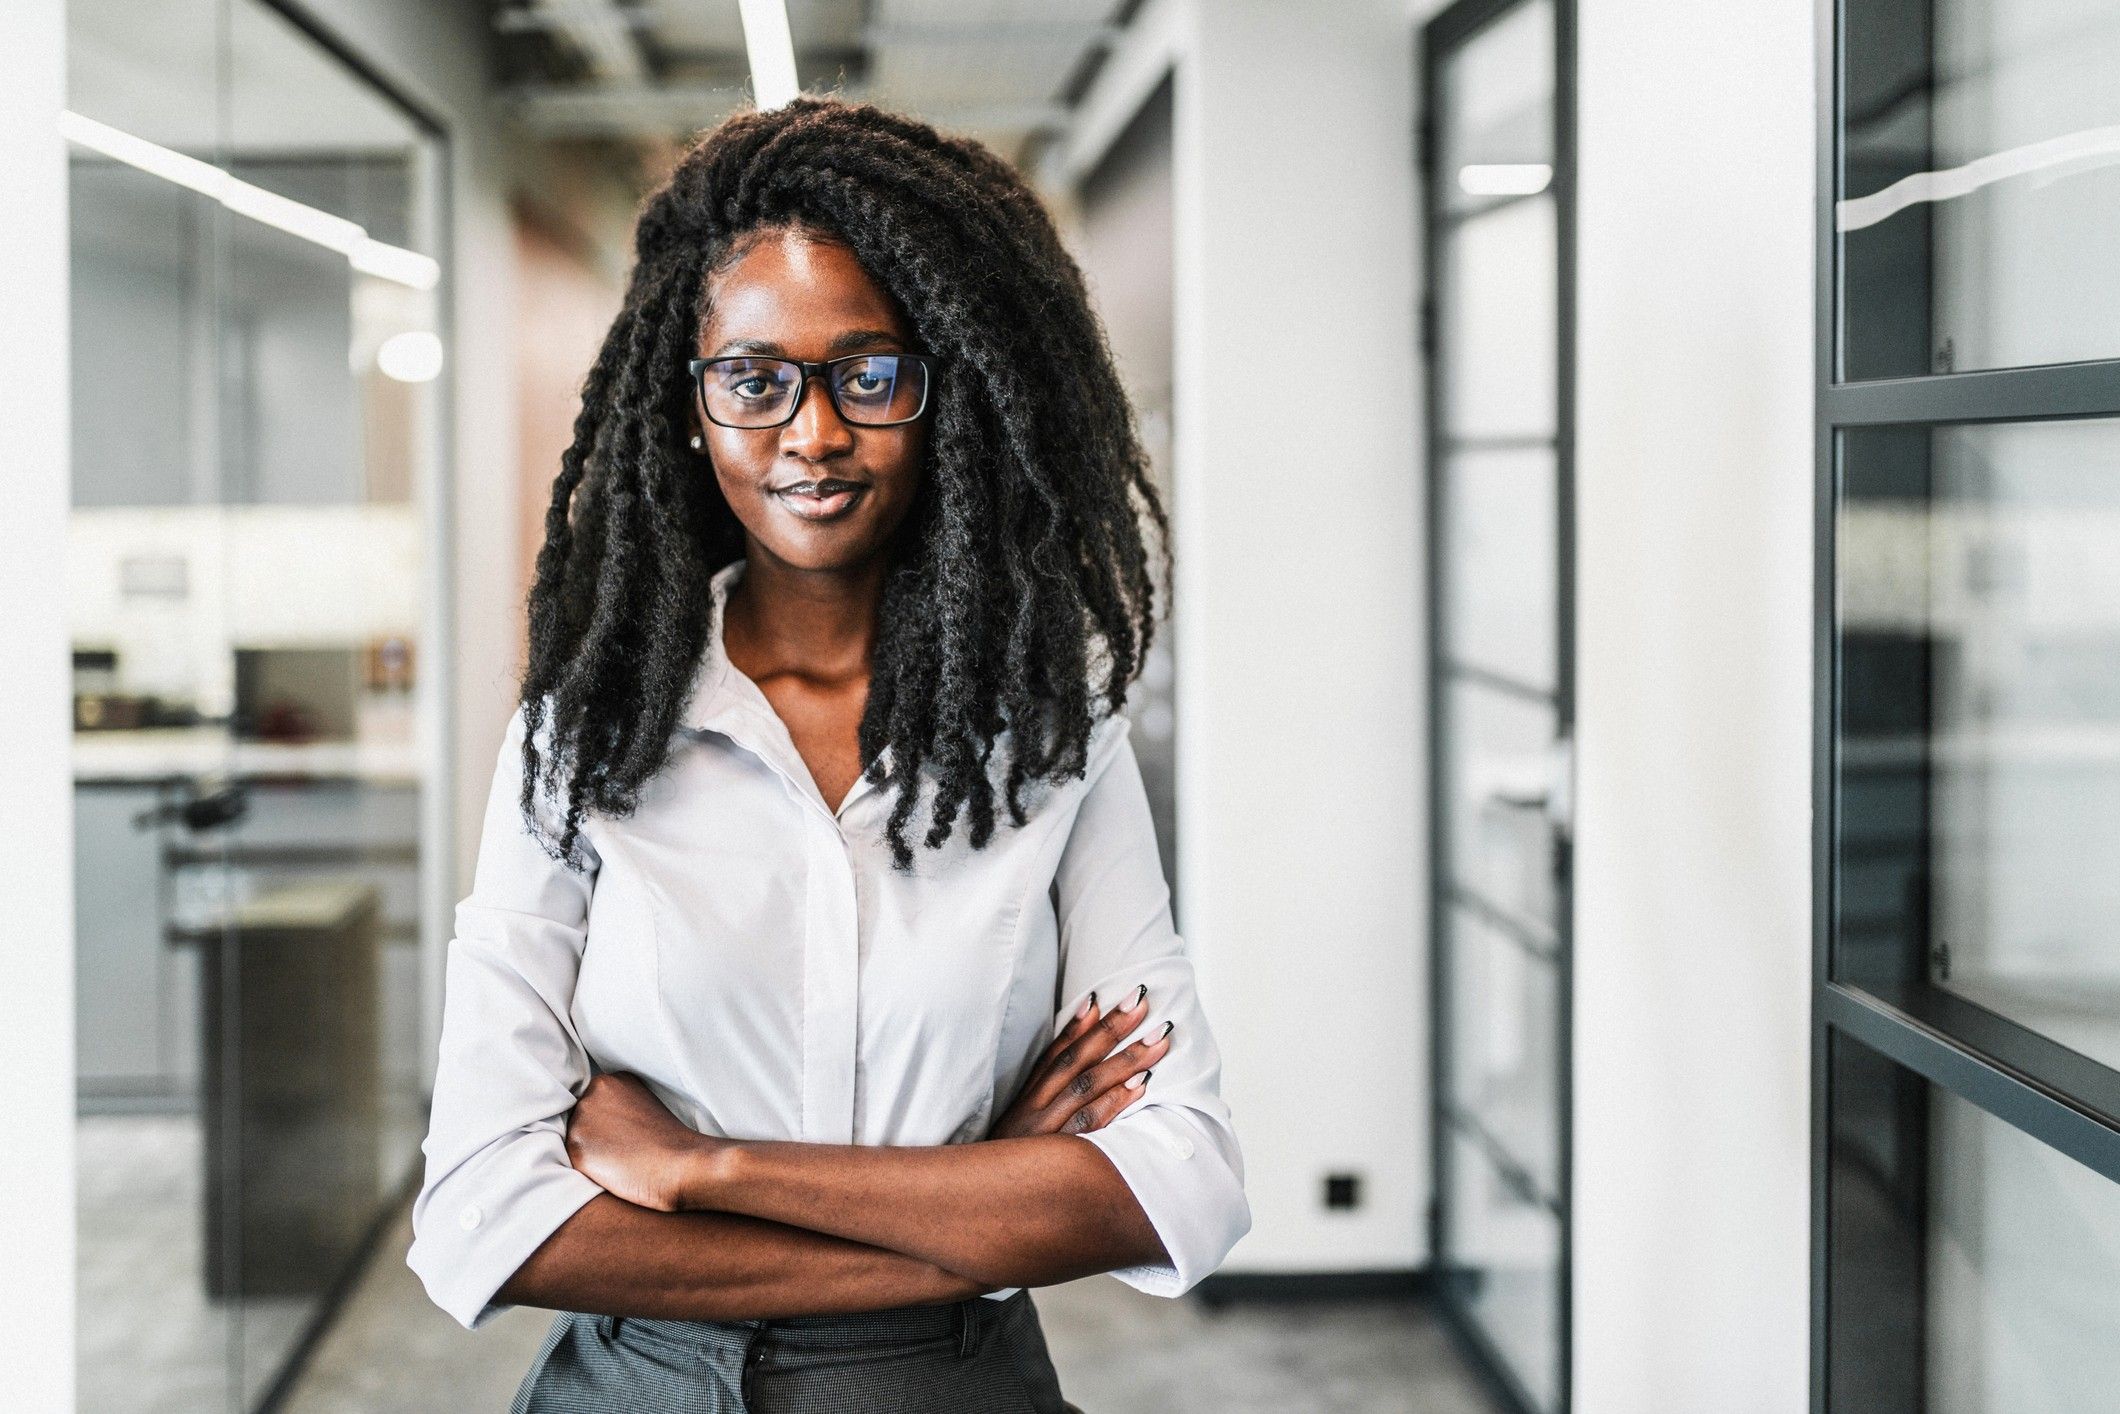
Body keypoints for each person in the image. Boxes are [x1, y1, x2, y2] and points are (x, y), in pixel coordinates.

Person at [405, 96, 1249, 1412]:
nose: (812, 432)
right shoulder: (582, 738)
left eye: (870, 373)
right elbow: (483, 1221)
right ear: (691, 404)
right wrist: (973, 1216)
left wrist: (707, 1169)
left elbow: (1179, 1185)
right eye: (755, 377)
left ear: (946, 395)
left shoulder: (1049, 731)